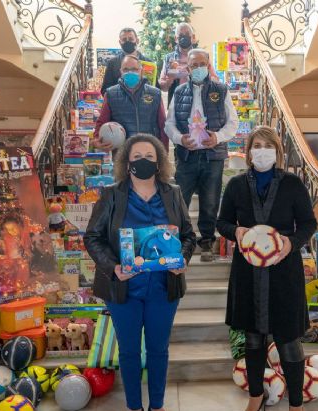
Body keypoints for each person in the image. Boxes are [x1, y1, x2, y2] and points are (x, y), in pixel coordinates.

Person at [84, 134, 196, 411]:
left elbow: (188, 235)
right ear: (126, 162)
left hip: (163, 287)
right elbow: (93, 237)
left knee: (159, 349)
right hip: (124, 288)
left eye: (149, 156)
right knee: (129, 350)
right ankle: (134, 409)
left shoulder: (172, 193)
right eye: (137, 157)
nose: (143, 161)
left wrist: (182, 259)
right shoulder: (112, 194)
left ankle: (157, 407)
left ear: (159, 162)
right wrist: (113, 267)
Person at [216, 126, 317, 411]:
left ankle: (296, 407)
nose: (262, 151)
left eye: (267, 145)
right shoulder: (236, 185)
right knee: (253, 338)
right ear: (248, 152)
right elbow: (222, 222)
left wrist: (291, 243)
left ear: (278, 151)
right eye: (256, 146)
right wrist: (236, 231)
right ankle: (255, 396)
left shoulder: (293, 184)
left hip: (284, 271)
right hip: (248, 271)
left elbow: (308, 224)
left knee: (288, 340)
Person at [165, 48, 239, 262]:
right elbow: (169, 124)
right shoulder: (179, 92)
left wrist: (218, 137)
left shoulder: (221, 90)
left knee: (210, 201)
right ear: (187, 68)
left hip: (213, 156)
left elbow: (233, 123)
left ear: (208, 66)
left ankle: (206, 242)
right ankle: (178, 242)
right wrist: (180, 139)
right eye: (194, 65)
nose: (198, 68)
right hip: (186, 156)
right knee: (179, 201)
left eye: (202, 64)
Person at [94, 55, 169, 152]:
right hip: (122, 153)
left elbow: (163, 125)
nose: (130, 72)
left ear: (141, 71)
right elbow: (102, 121)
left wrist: (164, 151)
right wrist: (97, 140)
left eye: (134, 69)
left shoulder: (155, 93)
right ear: (121, 72)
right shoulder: (110, 94)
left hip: (149, 151)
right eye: (126, 69)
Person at [158, 23, 219, 106]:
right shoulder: (169, 59)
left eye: (187, 35)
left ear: (193, 37)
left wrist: (202, 76)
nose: (184, 37)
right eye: (180, 35)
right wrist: (170, 79)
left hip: (201, 102)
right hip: (177, 104)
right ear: (176, 38)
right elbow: (163, 87)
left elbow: (215, 80)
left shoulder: (202, 56)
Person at [101, 28, 153, 95]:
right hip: (119, 101)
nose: (127, 42)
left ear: (137, 41)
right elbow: (105, 90)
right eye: (124, 40)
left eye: (131, 39)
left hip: (144, 100)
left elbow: (155, 88)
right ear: (120, 42)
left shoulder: (149, 63)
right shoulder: (112, 63)